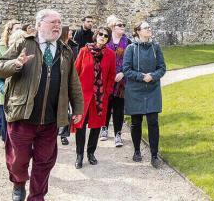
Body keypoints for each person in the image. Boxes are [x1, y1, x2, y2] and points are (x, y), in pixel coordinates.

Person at [0, 9, 84, 201]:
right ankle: (18, 184)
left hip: (50, 119)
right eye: (53, 22)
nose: (57, 26)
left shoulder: (65, 51)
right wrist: (16, 64)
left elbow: (73, 82)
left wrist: (77, 108)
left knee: (45, 162)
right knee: (18, 159)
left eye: (59, 22)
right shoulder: (24, 43)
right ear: (39, 24)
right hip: (23, 116)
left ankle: (37, 196)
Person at [122, 21, 166, 168]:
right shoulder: (130, 48)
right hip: (135, 89)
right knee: (136, 122)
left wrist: (153, 76)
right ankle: (137, 151)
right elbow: (126, 69)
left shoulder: (156, 47)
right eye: (146, 28)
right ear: (138, 31)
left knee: (153, 122)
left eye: (149, 27)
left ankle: (154, 155)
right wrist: (142, 76)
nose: (149, 30)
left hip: (152, 89)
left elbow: (162, 67)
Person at [71, 26, 116, 168]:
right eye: (100, 34)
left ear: (108, 39)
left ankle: (91, 152)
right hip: (83, 96)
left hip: (100, 97)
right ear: (96, 35)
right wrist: (75, 94)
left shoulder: (110, 54)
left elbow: (111, 75)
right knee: (81, 125)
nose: (102, 37)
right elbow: (75, 73)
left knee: (96, 126)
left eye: (106, 36)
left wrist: (107, 92)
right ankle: (79, 155)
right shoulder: (84, 51)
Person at [100, 15, 128, 147]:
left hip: (122, 80)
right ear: (113, 27)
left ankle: (118, 133)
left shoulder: (128, 42)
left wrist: (123, 72)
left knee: (119, 107)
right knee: (106, 104)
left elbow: (131, 61)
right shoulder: (106, 40)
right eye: (120, 25)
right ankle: (104, 128)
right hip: (107, 79)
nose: (122, 27)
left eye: (123, 25)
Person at [58, 25, 79, 146]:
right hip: (58, 81)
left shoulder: (73, 46)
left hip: (68, 80)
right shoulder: (57, 46)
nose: (71, 33)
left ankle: (63, 135)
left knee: (66, 109)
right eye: (69, 31)